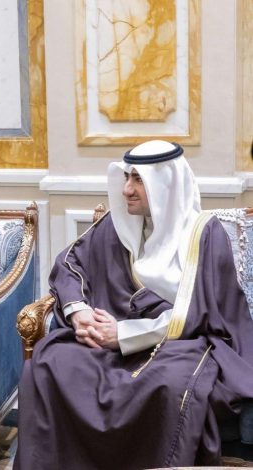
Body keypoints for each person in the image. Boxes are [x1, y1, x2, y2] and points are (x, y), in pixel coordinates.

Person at [15, 140, 253, 469]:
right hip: (108, 339)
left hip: (179, 342)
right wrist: (79, 311)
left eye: (138, 180)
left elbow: (203, 311)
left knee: (170, 386)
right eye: (127, 177)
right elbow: (69, 264)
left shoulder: (204, 234)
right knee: (48, 363)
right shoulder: (115, 224)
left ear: (165, 183)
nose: (127, 189)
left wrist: (124, 335)